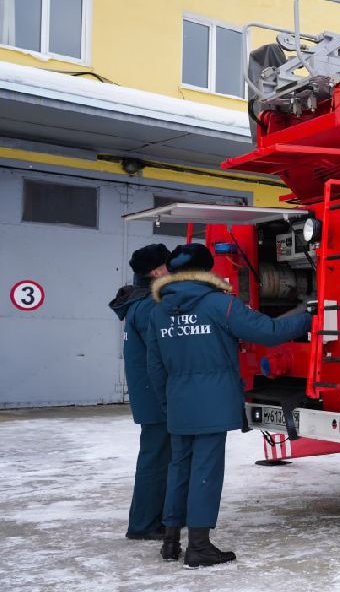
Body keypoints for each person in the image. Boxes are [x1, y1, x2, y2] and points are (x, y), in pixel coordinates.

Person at [146, 243, 311, 568]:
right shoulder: (219, 305)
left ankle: (170, 542)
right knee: (205, 471)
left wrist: (168, 402)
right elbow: (269, 332)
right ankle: (199, 547)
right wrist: (310, 317)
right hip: (213, 401)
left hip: (179, 400)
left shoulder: (159, 311)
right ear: (206, 270)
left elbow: (155, 365)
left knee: (179, 468)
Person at [108, 243, 172, 541]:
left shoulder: (138, 302)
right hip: (156, 396)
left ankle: (154, 518)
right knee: (156, 459)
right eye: (168, 265)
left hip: (149, 394)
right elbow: (163, 353)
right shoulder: (150, 306)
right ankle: (144, 524)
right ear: (157, 271)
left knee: (157, 457)